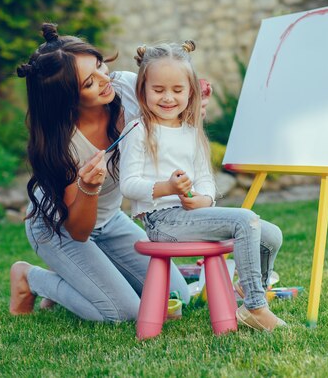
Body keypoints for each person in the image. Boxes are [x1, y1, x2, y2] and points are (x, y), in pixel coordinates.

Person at [9, 23, 195, 322]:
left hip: (109, 222)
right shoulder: (63, 145)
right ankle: (31, 278)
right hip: (61, 228)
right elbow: (78, 231)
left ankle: (78, 275)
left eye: (99, 66)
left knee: (176, 296)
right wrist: (88, 187)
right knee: (121, 313)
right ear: (66, 96)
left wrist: (194, 105)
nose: (103, 79)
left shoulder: (127, 88)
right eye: (88, 83)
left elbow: (170, 118)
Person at [119, 40, 286, 331]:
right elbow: (128, 185)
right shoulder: (138, 130)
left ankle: (251, 288)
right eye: (158, 90)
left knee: (270, 234)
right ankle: (255, 307)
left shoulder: (191, 131)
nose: (168, 98)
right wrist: (167, 188)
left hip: (190, 215)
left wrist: (205, 200)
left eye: (177, 90)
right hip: (161, 221)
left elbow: (206, 179)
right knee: (247, 220)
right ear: (142, 90)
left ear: (191, 91)